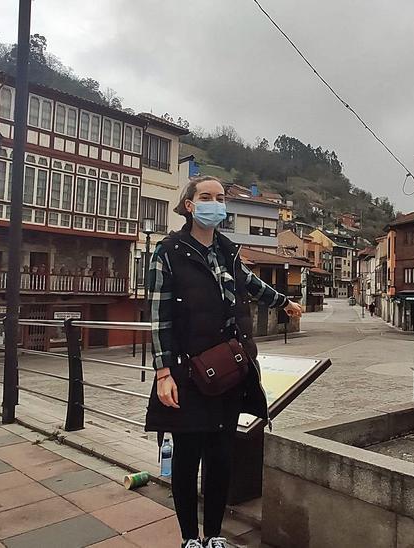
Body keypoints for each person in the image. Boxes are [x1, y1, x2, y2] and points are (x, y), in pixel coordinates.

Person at [144, 176, 303, 548]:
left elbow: (251, 284)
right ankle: (190, 538)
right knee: (186, 458)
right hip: (186, 370)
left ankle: (214, 535)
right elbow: (157, 316)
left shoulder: (228, 250)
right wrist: (163, 371)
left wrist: (284, 302)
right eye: (205, 197)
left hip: (228, 370)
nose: (214, 203)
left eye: (219, 198)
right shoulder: (167, 252)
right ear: (188, 205)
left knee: (220, 456)